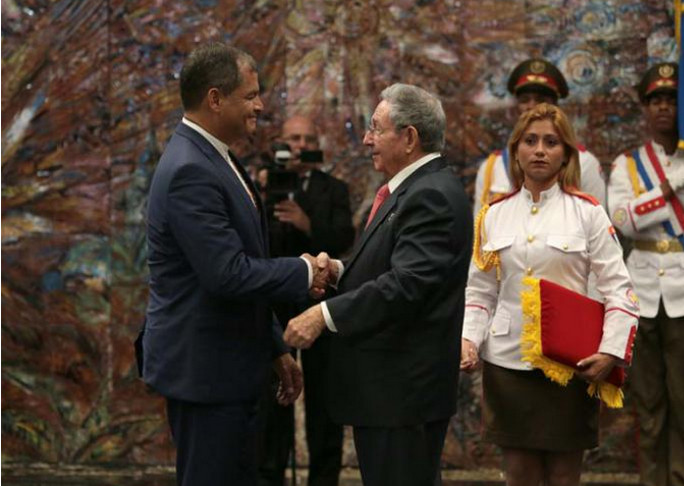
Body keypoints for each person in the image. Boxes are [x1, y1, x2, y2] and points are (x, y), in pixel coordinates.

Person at [141, 43, 330, 486]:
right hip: (207, 376)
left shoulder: (215, 155)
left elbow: (241, 271)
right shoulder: (192, 169)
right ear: (214, 99)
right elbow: (226, 274)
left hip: (233, 369)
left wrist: (275, 348)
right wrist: (304, 270)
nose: (260, 105)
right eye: (250, 95)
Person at [283, 83, 473, 486]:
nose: (366, 139)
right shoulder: (410, 188)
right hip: (390, 393)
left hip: (403, 394)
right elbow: (390, 266)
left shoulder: (431, 195)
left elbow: (407, 286)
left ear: (408, 138)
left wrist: (323, 313)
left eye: (375, 128)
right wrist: (336, 270)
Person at [461, 103, 639, 486]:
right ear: (516, 150)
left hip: (568, 364)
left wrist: (610, 352)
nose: (540, 150)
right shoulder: (493, 214)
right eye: (530, 141)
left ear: (566, 155)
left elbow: (619, 291)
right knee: (519, 474)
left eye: (551, 142)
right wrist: (469, 340)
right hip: (508, 364)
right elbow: (480, 291)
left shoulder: (587, 213)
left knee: (562, 475)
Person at [607, 63, 684, 486]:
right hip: (642, 290)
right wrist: (669, 187)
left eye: (670, 100)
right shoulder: (628, 164)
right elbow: (622, 220)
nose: (663, 107)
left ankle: (682, 479)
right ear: (645, 108)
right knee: (648, 403)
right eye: (654, 100)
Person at [257, 116, 354, 486]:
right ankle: (270, 475)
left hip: (321, 307)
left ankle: (323, 478)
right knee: (274, 399)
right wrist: (267, 189)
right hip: (277, 306)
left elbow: (344, 237)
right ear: (280, 144)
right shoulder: (266, 187)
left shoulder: (334, 189)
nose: (299, 146)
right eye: (293, 139)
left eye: (307, 139)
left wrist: (307, 224)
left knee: (324, 401)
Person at [473, 58, 607, 217]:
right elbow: (481, 234)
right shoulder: (491, 168)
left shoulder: (583, 162)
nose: (531, 106)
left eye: (540, 100)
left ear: (556, 106)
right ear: (517, 107)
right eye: (524, 100)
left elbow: (597, 225)